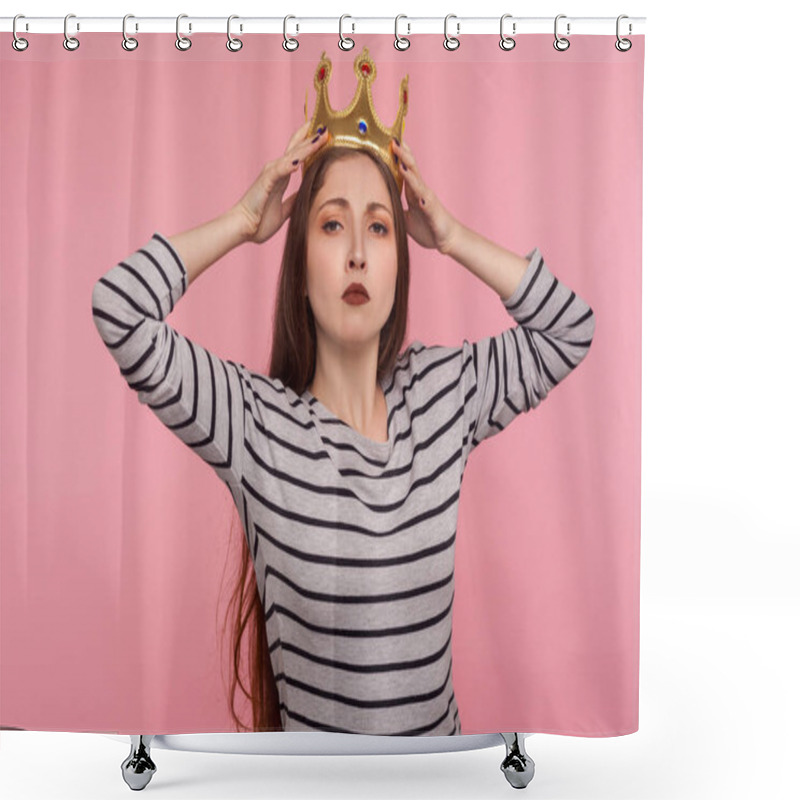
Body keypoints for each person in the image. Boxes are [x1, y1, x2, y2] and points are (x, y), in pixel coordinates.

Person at [91, 118, 596, 736]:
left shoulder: (445, 397)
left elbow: (571, 329)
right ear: (300, 266)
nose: (357, 251)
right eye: (332, 224)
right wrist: (242, 225)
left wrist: (453, 236)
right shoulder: (255, 426)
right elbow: (119, 308)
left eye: (379, 228)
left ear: (399, 265)